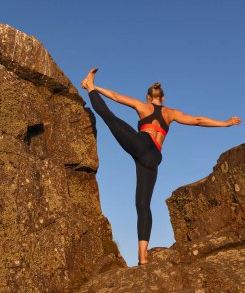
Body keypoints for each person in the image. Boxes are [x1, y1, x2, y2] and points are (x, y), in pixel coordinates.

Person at [81, 67, 242, 266]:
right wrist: (225, 123)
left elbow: (114, 96)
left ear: (149, 97)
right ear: (163, 98)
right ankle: (143, 257)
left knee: (109, 117)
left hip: (141, 145)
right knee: (143, 205)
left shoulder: (142, 106)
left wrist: (96, 87)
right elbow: (198, 121)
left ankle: (88, 86)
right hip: (154, 157)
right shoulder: (171, 113)